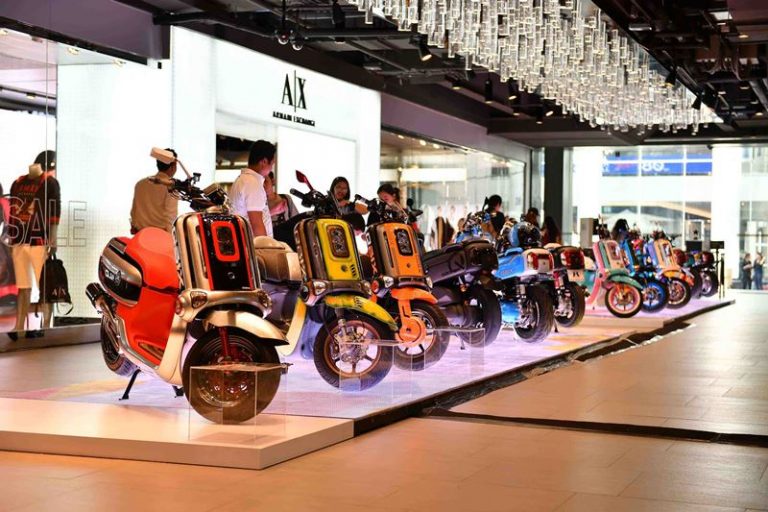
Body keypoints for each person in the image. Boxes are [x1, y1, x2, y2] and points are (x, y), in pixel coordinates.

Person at [9, 150, 60, 338]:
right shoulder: (18, 183)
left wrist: (52, 239)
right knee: (24, 286)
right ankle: (19, 326)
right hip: (22, 241)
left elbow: (55, 214)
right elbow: (13, 212)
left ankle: (45, 327)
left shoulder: (49, 183)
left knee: (43, 286)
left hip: (38, 241)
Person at [230, 140, 275, 237]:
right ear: (264, 161)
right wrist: (265, 245)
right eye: (272, 164)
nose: (271, 169)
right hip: (254, 244)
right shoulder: (252, 183)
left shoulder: (244, 180)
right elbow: (256, 224)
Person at [130, 148, 179, 233]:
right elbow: (170, 217)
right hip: (160, 236)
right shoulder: (171, 187)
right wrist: (170, 238)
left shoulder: (140, 184)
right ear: (173, 166)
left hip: (141, 235)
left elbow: (134, 212)